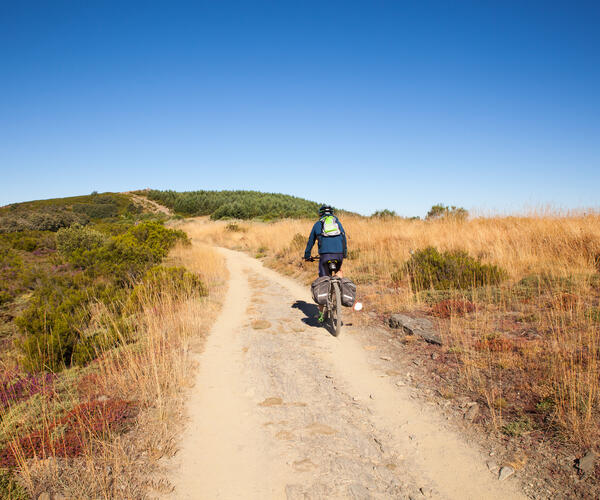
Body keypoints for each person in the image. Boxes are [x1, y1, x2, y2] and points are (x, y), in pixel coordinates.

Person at [304, 205, 347, 322]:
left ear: (320, 214)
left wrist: (307, 255)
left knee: (323, 281)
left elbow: (310, 241)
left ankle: (321, 314)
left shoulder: (318, 224)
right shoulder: (337, 223)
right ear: (332, 213)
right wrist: (344, 253)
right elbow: (344, 238)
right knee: (339, 272)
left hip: (325, 255)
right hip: (339, 254)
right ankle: (340, 294)